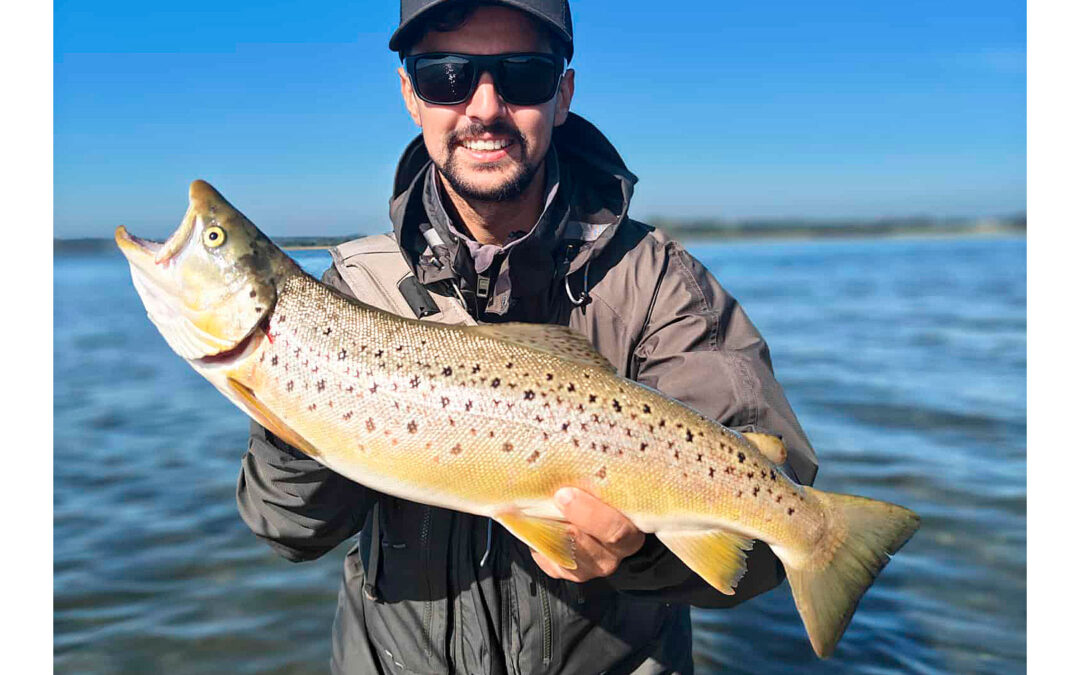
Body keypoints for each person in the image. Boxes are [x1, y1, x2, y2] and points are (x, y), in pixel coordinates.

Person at [236, 1, 819, 672]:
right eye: (446, 76)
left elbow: (772, 532)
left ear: (562, 93)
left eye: (522, 74)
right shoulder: (348, 292)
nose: (484, 106)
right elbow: (287, 527)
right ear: (410, 95)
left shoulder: (660, 284)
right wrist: (291, 401)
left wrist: (644, 550)